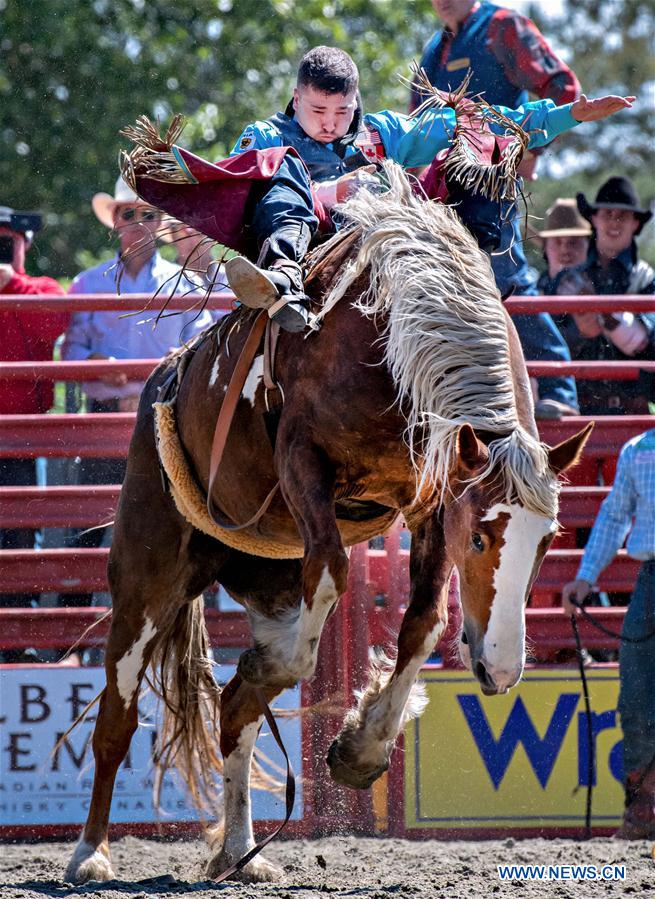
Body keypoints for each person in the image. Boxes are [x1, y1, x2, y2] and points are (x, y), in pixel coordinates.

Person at [224, 45, 630, 341]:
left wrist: (569, 114)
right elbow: (225, 190)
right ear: (296, 99)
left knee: (469, 140)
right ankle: (281, 279)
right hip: (299, 244)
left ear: (355, 102)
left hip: (377, 253)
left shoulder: (381, 133)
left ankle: (473, 275)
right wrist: (330, 193)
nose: (330, 124)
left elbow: (484, 121)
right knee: (282, 163)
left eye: (341, 111)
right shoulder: (265, 136)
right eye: (318, 111)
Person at [411, 0, 583, 419]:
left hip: (491, 181)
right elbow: (416, 128)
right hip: (442, 191)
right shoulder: (435, 49)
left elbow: (564, 88)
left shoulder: (502, 26)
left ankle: (559, 388)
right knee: (443, 283)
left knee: (506, 274)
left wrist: (527, 145)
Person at [60, 176, 213, 605]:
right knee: (90, 524)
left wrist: (143, 383)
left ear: (161, 223)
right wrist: (95, 366)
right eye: (130, 213)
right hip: (107, 415)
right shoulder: (88, 284)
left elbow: (194, 353)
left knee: (170, 522)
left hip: (163, 416)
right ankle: (71, 627)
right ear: (115, 220)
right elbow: (72, 352)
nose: (140, 223)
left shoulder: (185, 285)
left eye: (149, 214)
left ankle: (165, 618)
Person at [562, 429, 655, 839]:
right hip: (651, 580)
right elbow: (615, 514)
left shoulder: (639, 450)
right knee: (635, 699)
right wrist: (585, 577)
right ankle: (643, 811)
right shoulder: (638, 450)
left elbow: (617, 516)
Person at [0, 206, 68, 615]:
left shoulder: (40, 288)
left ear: (24, 245)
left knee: (22, 534)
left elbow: (55, 322)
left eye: (7, 244)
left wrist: (13, 284)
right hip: (21, 433)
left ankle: (17, 633)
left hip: (24, 433)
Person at [552, 178, 655, 417]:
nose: (614, 221)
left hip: (633, 413)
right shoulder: (566, 281)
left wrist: (606, 316)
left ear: (635, 223)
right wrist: (580, 333)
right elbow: (547, 342)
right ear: (594, 218)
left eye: (622, 216)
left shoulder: (648, 280)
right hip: (576, 411)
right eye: (607, 213)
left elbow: (650, 347)